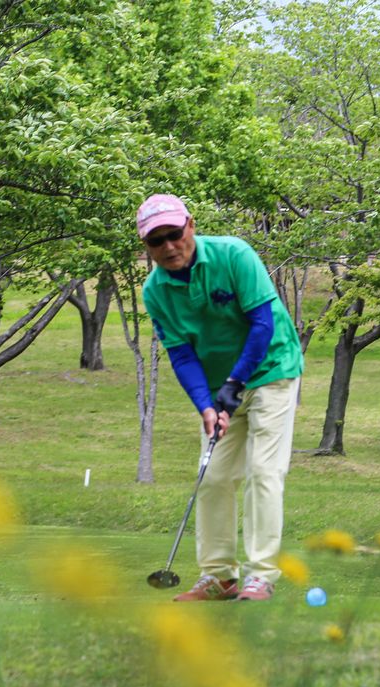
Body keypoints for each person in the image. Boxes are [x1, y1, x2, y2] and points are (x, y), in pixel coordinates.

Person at [138, 194, 304, 602]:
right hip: (218, 388)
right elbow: (180, 353)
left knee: (264, 473)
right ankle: (219, 577)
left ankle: (260, 574)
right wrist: (207, 405)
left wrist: (235, 382)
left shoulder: (235, 255)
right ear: (146, 246)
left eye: (174, 234)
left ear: (190, 225)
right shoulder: (155, 291)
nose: (169, 246)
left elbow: (262, 324)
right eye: (156, 241)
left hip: (272, 370)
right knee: (213, 477)